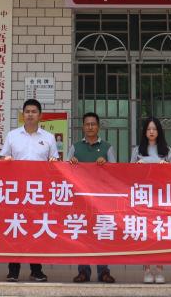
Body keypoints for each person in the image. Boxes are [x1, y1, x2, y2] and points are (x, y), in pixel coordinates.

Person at [0, 98, 59, 282]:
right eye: (27, 112)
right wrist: (6, 161)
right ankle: (13, 270)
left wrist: (54, 162)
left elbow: (55, 162)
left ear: (40, 115)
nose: (30, 115)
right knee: (15, 228)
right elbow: (2, 159)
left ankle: (36, 270)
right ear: (23, 115)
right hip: (16, 190)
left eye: (34, 112)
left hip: (38, 192)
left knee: (36, 229)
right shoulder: (12, 135)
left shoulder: (48, 137)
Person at [66, 112, 116, 284]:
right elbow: (65, 171)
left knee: (102, 233)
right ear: (83, 127)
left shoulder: (107, 147)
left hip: (102, 199)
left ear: (98, 127)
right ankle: (83, 272)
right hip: (81, 199)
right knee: (83, 235)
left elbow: (115, 172)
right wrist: (72, 162)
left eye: (93, 124)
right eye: (87, 124)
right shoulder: (75, 147)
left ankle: (104, 271)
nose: (90, 127)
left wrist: (106, 164)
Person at [132, 117, 171, 284]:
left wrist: (167, 167)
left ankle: (160, 269)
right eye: (148, 129)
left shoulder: (166, 150)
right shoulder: (137, 150)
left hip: (161, 197)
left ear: (159, 131)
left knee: (160, 233)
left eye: (154, 129)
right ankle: (147, 269)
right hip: (143, 197)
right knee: (146, 233)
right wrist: (137, 167)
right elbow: (128, 173)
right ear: (144, 132)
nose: (152, 132)